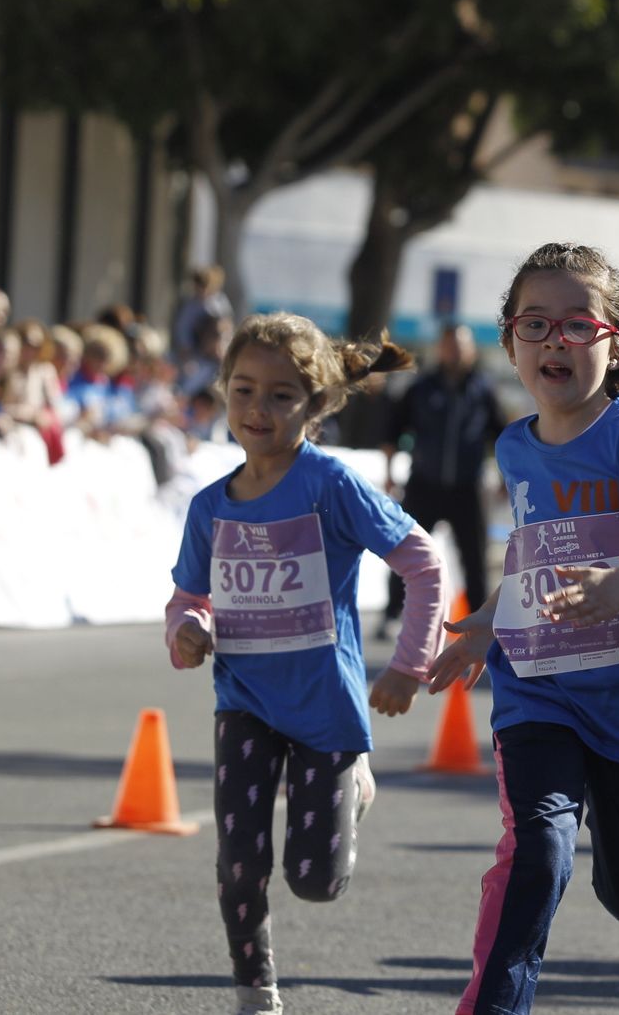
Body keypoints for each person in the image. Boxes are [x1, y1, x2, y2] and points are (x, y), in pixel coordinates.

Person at [423, 242, 619, 1015]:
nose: (555, 339)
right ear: (509, 340)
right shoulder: (514, 445)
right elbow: (534, 557)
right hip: (543, 690)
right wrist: (486, 625)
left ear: (615, 342)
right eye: (536, 323)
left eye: (576, 324)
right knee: (539, 848)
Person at [163, 312, 450, 1015]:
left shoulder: (329, 484)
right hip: (245, 699)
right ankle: (255, 990)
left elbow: (423, 563)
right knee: (238, 859)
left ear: (315, 402)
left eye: (281, 394)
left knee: (316, 880)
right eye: (242, 389)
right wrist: (189, 631)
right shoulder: (209, 506)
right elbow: (187, 597)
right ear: (224, 392)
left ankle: (351, 784)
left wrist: (410, 663)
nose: (257, 409)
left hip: (325, 704)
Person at [380, 322, 507, 636]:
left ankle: (481, 621)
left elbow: (502, 438)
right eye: (450, 345)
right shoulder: (421, 388)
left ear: (471, 350)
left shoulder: (483, 390)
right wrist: (388, 474)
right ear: (440, 348)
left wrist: (507, 479)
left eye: (461, 346)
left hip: (467, 486)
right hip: (424, 482)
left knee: (474, 558)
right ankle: (393, 613)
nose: (455, 352)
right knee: (407, 549)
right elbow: (392, 432)